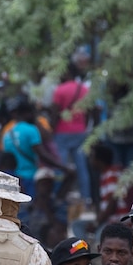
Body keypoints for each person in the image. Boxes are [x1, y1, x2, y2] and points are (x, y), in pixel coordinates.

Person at [51, 64, 92, 203]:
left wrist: (52, 129)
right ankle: (86, 198)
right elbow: (89, 111)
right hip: (80, 131)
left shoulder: (59, 90)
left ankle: (58, 196)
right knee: (82, 167)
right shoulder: (85, 89)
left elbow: (55, 113)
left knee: (60, 167)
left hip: (62, 131)